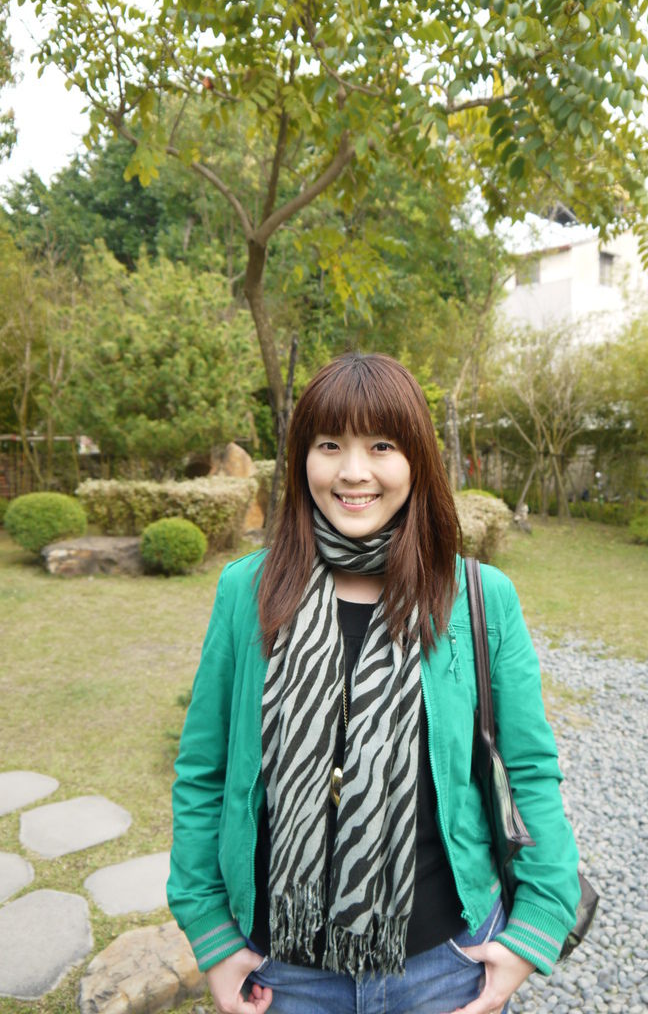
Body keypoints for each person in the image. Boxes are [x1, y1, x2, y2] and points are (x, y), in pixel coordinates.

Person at [167, 353, 581, 1014]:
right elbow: (204, 770)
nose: (354, 471)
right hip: (284, 972)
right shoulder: (248, 590)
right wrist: (211, 932)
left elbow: (527, 769)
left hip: (445, 967)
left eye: (381, 445)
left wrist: (535, 926)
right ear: (302, 459)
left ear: (417, 460)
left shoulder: (479, 597)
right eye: (330, 445)